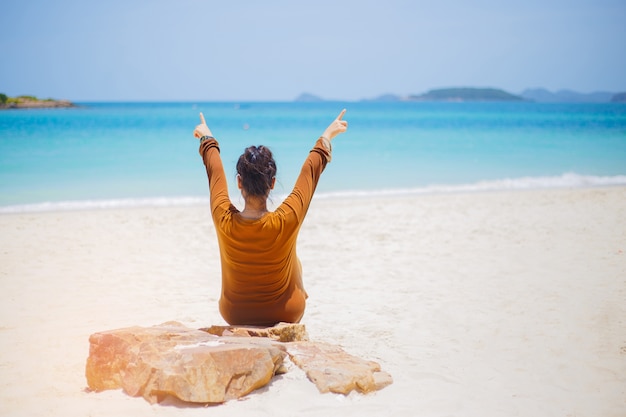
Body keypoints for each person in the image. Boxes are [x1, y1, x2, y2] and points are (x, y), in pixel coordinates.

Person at [193, 110, 348, 326]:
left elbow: (214, 171)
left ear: (239, 182)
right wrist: (327, 136)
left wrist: (206, 137)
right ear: (272, 183)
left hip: (234, 314)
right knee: (294, 257)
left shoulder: (223, 217)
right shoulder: (286, 219)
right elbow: (310, 171)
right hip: (285, 314)